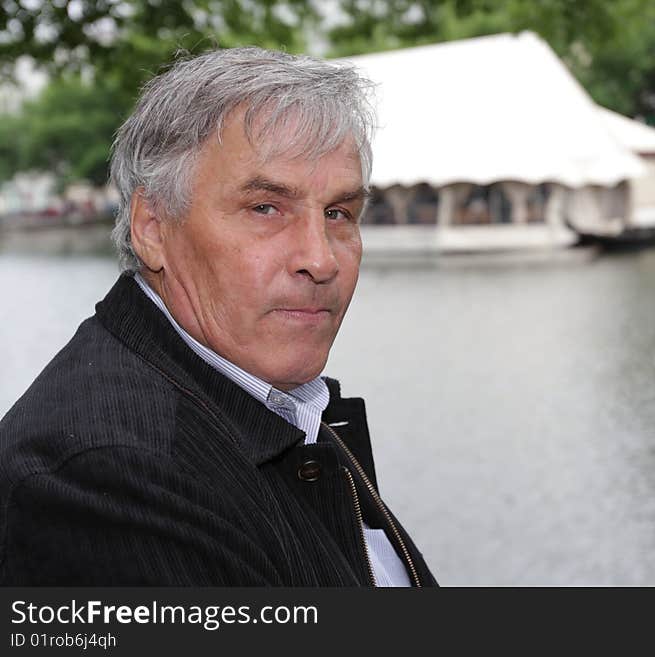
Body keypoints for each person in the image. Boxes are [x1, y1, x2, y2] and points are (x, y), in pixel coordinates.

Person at [0, 47, 436, 587]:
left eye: (338, 213)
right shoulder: (106, 476)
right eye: (265, 209)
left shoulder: (263, 400)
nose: (321, 259)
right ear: (152, 228)